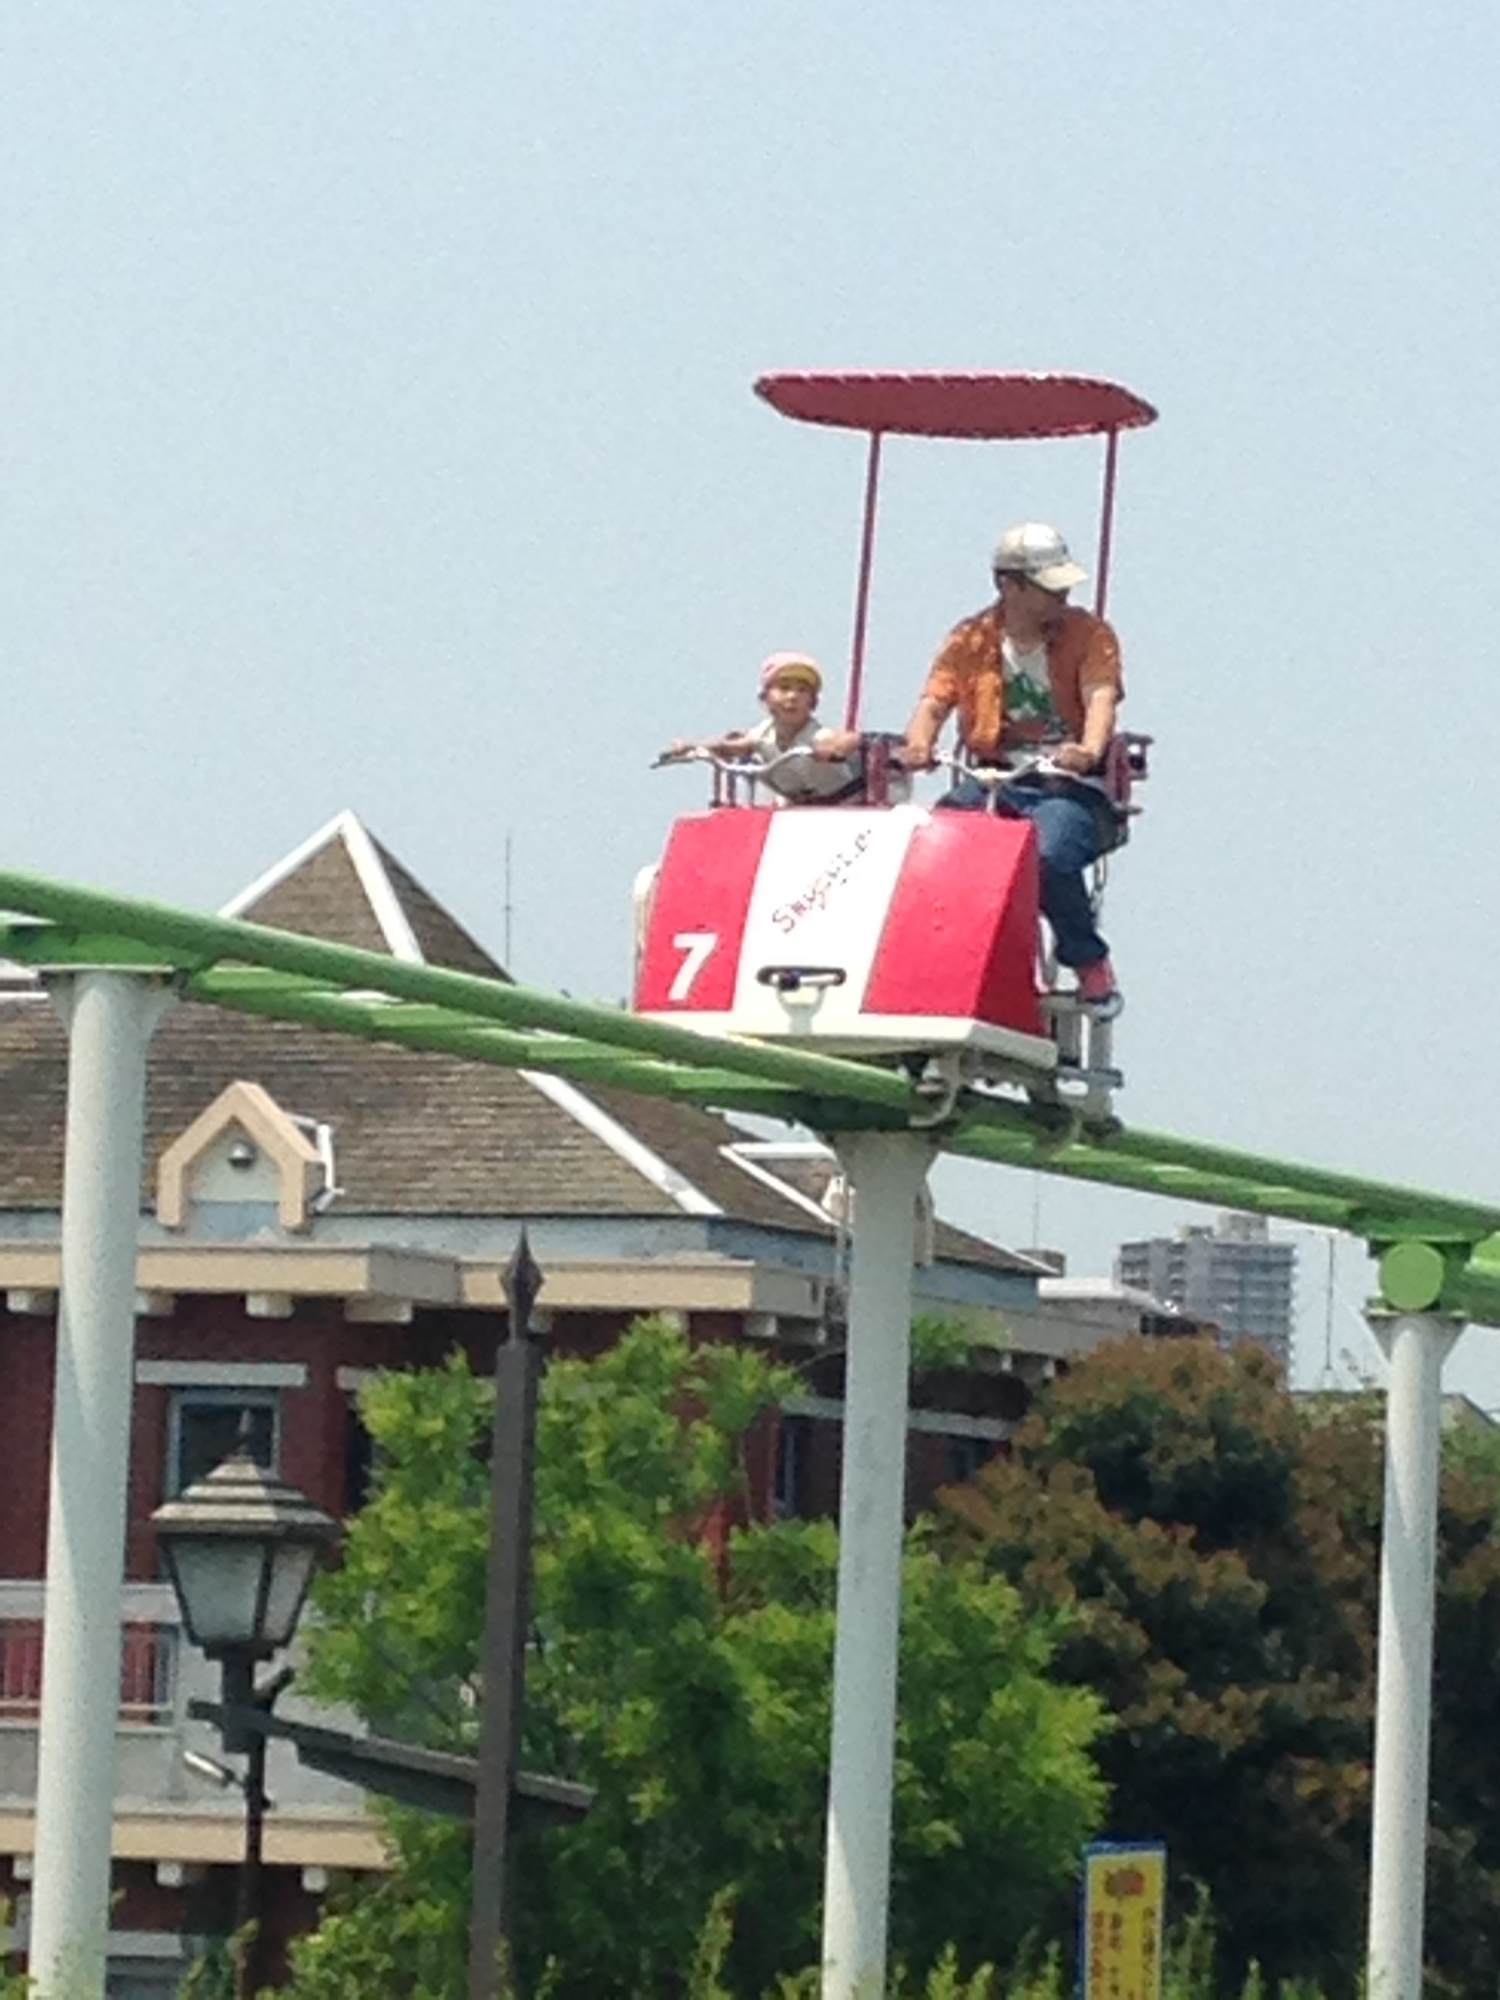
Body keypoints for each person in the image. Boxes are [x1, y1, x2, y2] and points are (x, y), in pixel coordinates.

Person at [899, 522, 1125, 1015]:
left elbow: (1100, 695)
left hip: (1066, 786)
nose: (1061, 595)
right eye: (1048, 587)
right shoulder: (971, 638)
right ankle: (940, 970)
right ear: (1009, 585)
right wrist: (919, 744)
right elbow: (934, 701)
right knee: (932, 849)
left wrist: (1086, 748)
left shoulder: (1089, 634)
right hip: (991, 779)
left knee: (1047, 857)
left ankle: (1087, 959)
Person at [663, 653, 864, 804]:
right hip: (799, 806)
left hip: (843, 806)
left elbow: (847, 740)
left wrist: (835, 748)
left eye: (802, 691)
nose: (792, 697)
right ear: (764, 699)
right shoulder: (763, 733)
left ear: (813, 703)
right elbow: (732, 746)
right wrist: (692, 747)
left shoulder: (817, 736)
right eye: (784, 689)